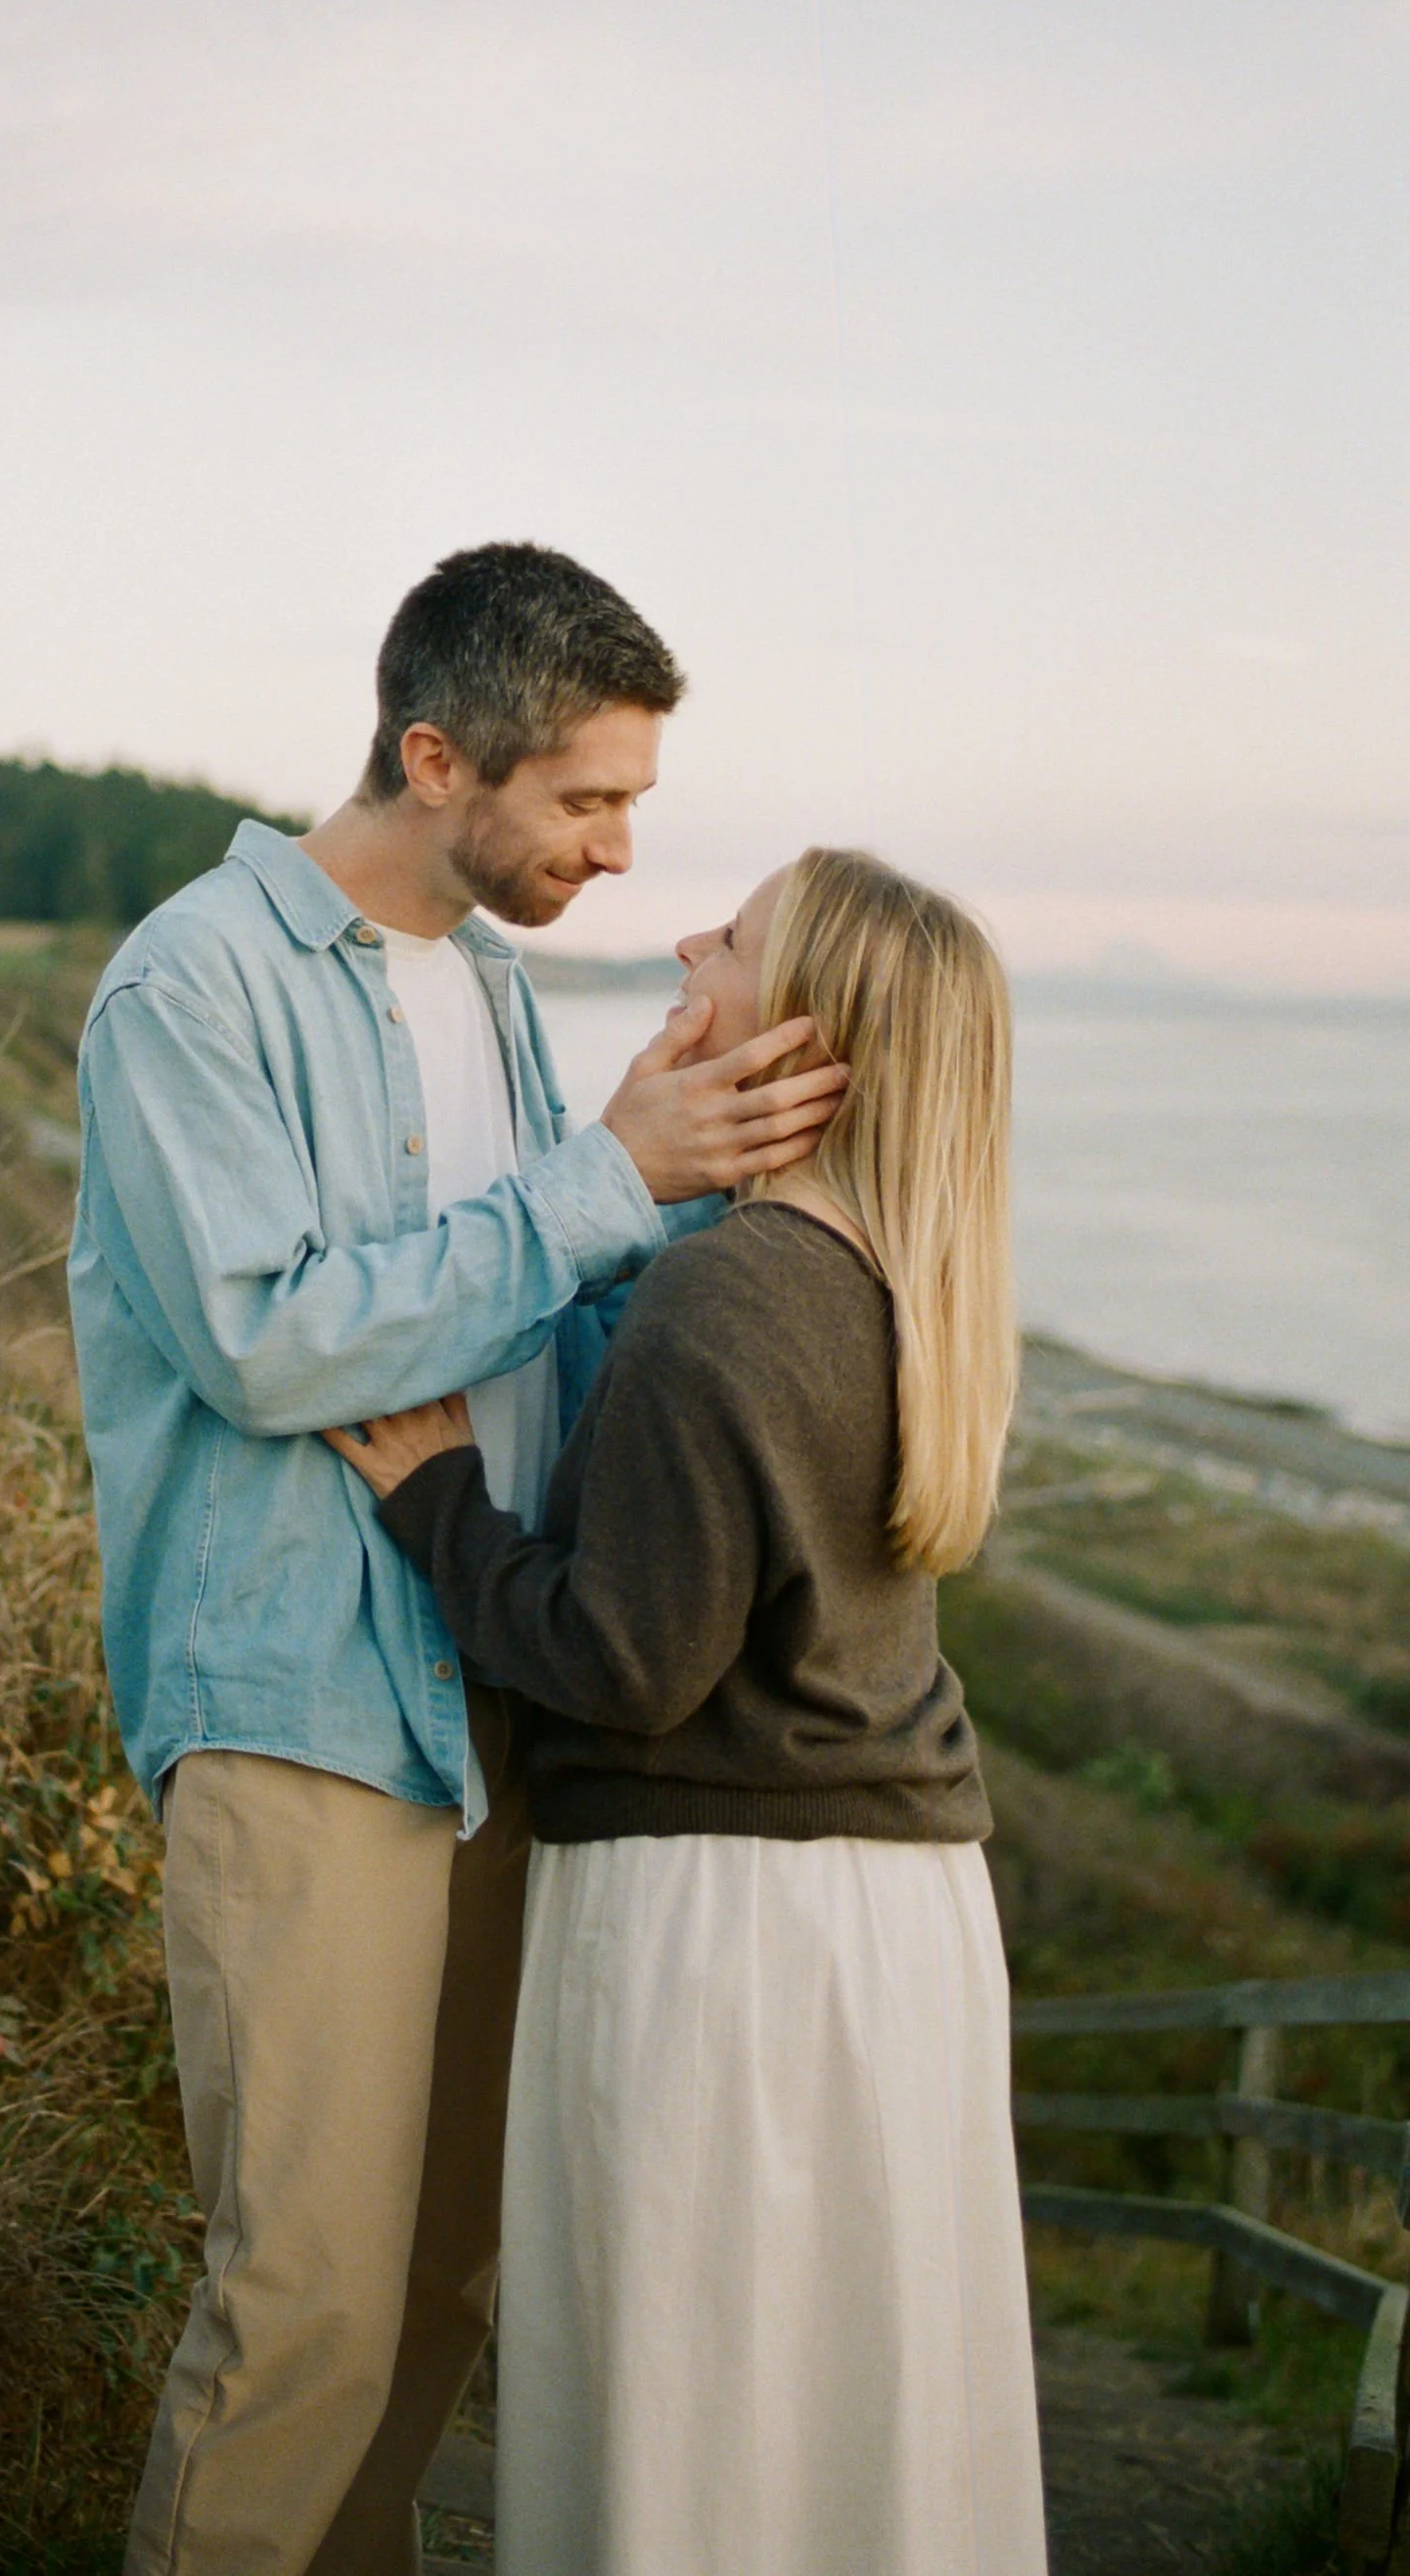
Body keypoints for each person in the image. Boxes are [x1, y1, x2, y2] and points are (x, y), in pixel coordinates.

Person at [68, 543, 847, 2576]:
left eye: (632, 807)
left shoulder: (493, 994)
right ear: (436, 757)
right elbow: (265, 1339)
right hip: (303, 1713)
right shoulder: (193, 982)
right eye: (586, 800)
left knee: (437, 2288)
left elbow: (529, 1326)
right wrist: (611, 1177)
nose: (614, 850)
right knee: (303, 2303)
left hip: (482, 1695)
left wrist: (721, 1228)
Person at [328, 845, 1047, 2576]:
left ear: (808, 1037)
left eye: (733, 935)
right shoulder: (899, 1281)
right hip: (898, 1924)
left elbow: (621, 1656)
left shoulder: (732, 1286)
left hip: (720, 1926)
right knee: (854, 2424)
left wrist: (441, 1507)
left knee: (692, 2426)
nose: (684, 935)